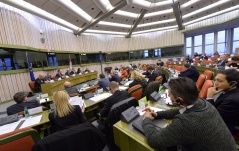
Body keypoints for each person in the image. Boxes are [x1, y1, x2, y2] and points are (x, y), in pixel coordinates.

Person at [142, 77, 236, 151]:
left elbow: (154, 140)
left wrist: (146, 119)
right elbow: (181, 110)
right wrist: (158, 114)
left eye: (169, 94)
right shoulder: (203, 103)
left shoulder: (186, 122)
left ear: (179, 100)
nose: (169, 96)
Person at [207, 69, 239, 140]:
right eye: (216, 80)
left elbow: (212, 118)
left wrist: (209, 97)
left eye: (219, 81)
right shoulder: (228, 91)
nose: (215, 83)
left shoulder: (232, 100)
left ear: (232, 83)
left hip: (221, 131)